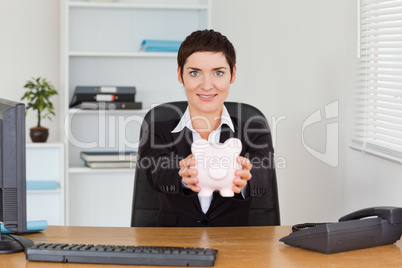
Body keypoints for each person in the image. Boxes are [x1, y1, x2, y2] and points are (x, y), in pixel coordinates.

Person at [139, 29, 275, 227]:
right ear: (180, 74)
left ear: (232, 74)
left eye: (218, 73)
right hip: (174, 242)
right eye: (195, 73)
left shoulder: (254, 130)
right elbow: (156, 172)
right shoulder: (156, 130)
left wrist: (246, 178)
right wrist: (182, 175)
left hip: (236, 243)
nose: (207, 85)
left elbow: (263, 175)